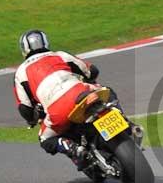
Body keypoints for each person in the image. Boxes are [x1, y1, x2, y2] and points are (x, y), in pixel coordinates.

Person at [14, 30, 100, 166]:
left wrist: (31, 119)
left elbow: (24, 107)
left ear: (24, 48)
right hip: (81, 93)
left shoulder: (21, 72)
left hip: (58, 109)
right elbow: (91, 70)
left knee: (44, 138)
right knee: (106, 92)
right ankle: (126, 123)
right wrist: (89, 79)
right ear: (45, 42)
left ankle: (71, 148)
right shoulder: (60, 55)